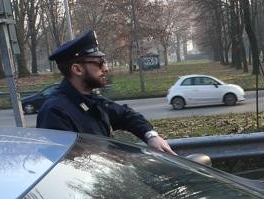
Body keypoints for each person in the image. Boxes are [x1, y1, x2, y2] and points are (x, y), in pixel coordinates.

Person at [37, 30, 175, 154]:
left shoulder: (90, 99)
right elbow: (64, 166)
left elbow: (126, 115)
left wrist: (151, 136)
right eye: (99, 63)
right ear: (77, 69)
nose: (106, 68)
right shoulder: (55, 112)